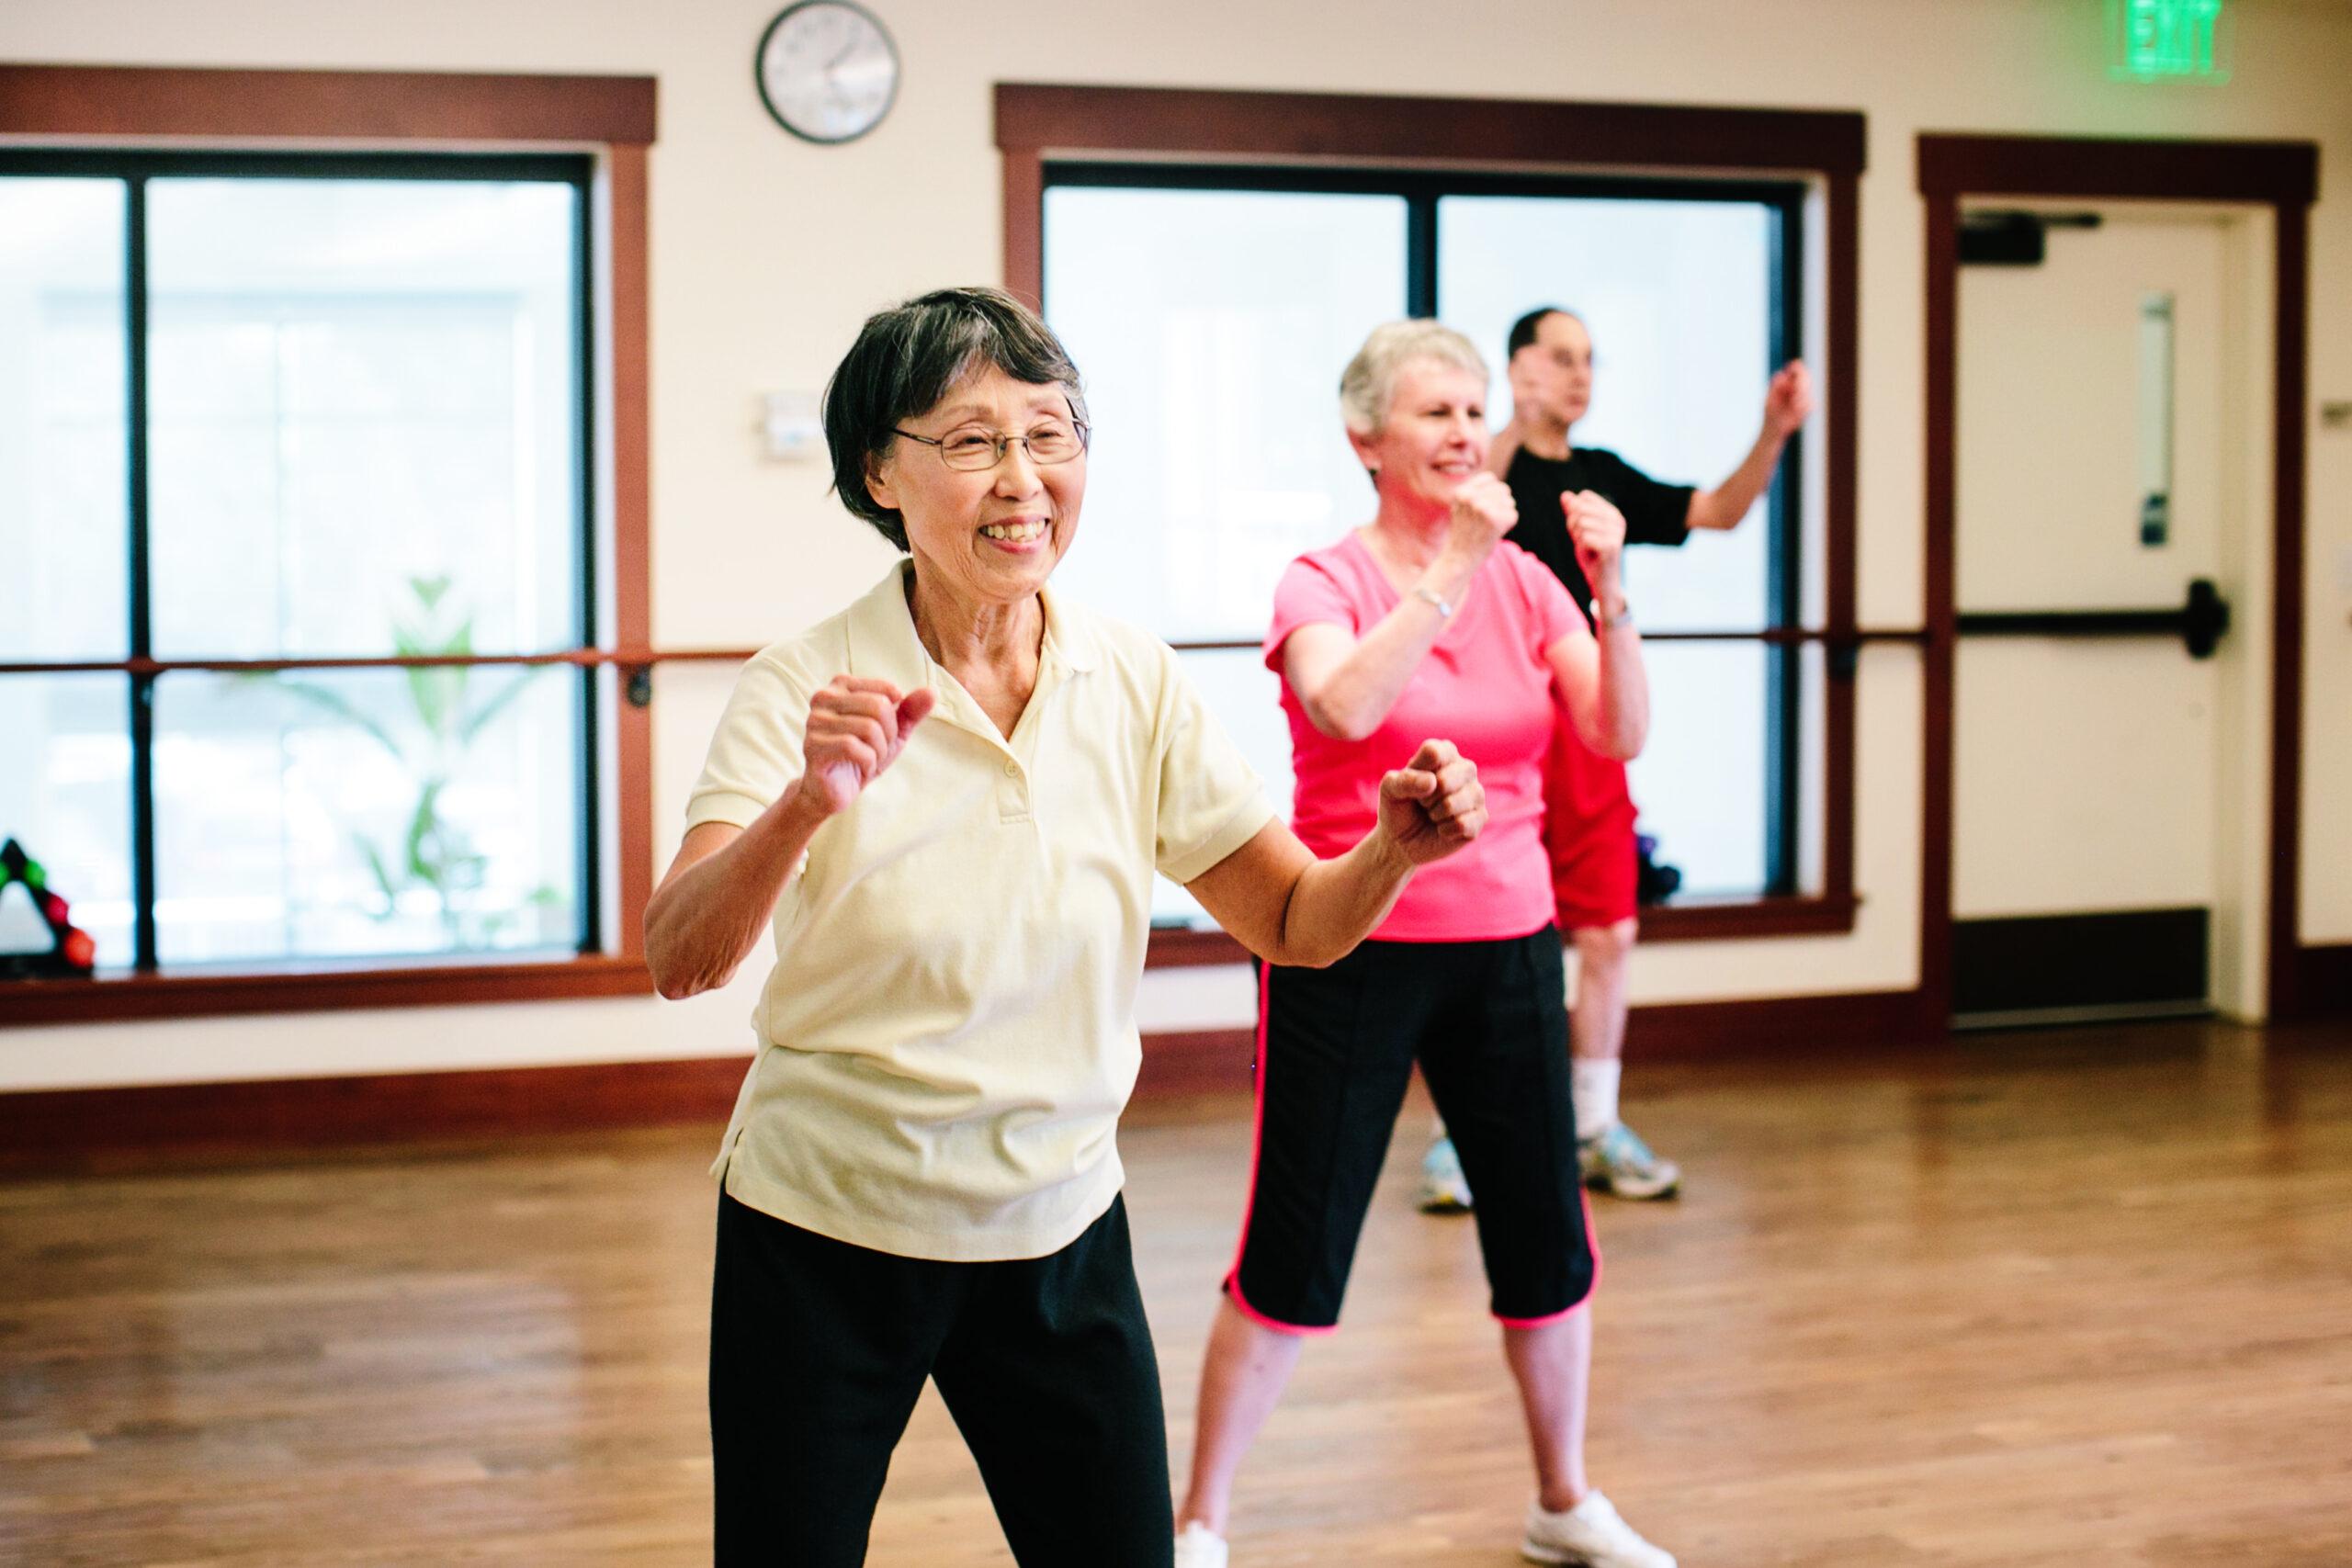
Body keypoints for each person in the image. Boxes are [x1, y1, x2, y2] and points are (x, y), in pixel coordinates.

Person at [645, 288, 1491, 1568]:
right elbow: (681, 955)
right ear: (880, 468)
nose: (1025, 477)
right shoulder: (804, 681)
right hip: (827, 1221)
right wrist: (801, 808)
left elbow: (1296, 922)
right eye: (974, 439)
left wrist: (1390, 852)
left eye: (1052, 434)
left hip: (1057, 1221)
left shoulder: (1130, 675)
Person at [1172, 321, 1675, 1568]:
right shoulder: (1324, 578)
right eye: (1433, 413)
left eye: (1470, 411)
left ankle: (1564, 1499)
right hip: (1346, 938)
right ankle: (1199, 1523)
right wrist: (1449, 566)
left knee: (1547, 1239)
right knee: (1290, 1248)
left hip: (1507, 943)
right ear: (1367, 439)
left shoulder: (1529, 577)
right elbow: (1344, 700)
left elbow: (1615, 733)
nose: (1463, 431)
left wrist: (1612, 593)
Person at [1419, 304, 1815, 1210]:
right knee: (1474, 936)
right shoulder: (1479, 473)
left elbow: (1717, 510)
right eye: (1559, 358)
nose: (1578, 374)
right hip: (1492, 722)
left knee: (1608, 930)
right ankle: (1456, 1137)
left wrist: (1773, 430)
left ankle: (1593, 1124)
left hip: (1589, 721)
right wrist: (1498, 424)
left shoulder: (1599, 482)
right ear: (1515, 372)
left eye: (1589, 360)